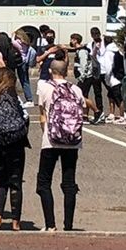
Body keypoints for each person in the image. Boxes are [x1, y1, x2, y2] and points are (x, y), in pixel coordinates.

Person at [35, 60, 83, 231]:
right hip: (73, 141)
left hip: (51, 141)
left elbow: (42, 115)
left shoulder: (45, 88)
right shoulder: (76, 89)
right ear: (67, 72)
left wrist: (46, 131)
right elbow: (82, 110)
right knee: (69, 183)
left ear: (50, 70)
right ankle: (68, 226)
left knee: (43, 182)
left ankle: (50, 225)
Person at [0, 67, 31, 231]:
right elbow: (25, 117)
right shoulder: (13, 96)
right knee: (16, 183)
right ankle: (15, 222)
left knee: (1, 182)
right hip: (15, 143)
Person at [103, 33, 126, 123]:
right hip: (119, 76)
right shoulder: (118, 50)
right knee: (110, 96)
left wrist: (107, 78)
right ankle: (112, 114)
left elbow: (108, 67)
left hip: (113, 78)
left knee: (118, 98)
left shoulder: (108, 52)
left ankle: (122, 117)